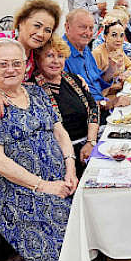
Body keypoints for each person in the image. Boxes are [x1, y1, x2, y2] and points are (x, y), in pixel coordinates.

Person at [0, 38, 78, 261]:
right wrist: (44, 186)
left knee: (92, 207)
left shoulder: (36, 92)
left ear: (25, 65)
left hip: (58, 179)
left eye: (16, 63)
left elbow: (60, 132)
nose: (11, 69)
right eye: (2, 64)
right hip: (18, 190)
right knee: (65, 224)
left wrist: (70, 168)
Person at [33, 33, 99, 179]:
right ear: (38, 59)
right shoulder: (32, 88)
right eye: (50, 56)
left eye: (60, 56)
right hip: (59, 156)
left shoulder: (74, 80)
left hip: (88, 144)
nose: (56, 61)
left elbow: (93, 109)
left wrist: (90, 142)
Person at [63, 8, 131, 112]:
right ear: (67, 27)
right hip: (91, 115)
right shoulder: (60, 55)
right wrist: (109, 103)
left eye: (91, 28)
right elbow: (73, 103)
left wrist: (110, 69)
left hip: (103, 103)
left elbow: (100, 81)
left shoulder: (84, 48)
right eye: (82, 27)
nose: (88, 33)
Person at [0, 0, 61, 81]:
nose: (41, 34)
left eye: (48, 30)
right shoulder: (0, 42)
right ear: (21, 22)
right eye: (37, 26)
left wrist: (76, 79)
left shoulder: (36, 53)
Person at [92, 21, 131, 97]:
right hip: (106, 98)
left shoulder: (117, 49)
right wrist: (117, 84)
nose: (119, 39)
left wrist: (125, 73)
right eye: (114, 35)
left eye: (121, 36)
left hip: (120, 92)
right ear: (105, 37)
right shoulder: (97, 54)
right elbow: (95, 86)